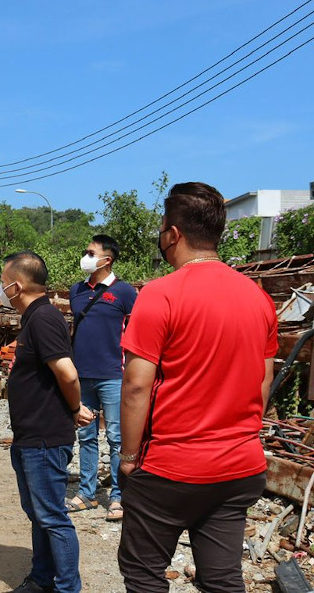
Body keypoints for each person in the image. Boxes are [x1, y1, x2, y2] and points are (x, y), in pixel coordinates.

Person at [118, 182, 278, 592]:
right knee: (222, 578)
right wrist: (242, 437)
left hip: (172, 468)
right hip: (239, 466)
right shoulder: (257, 297)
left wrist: (130, 457)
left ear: (173, 233)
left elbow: (137, 387)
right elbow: (263, 378)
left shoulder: (159, 295)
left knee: (144, 575)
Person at [0, 251, 94, 593]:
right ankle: (41, 578)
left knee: (52, 517)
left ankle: (67, 587)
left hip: (44, 438)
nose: (1, 290)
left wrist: (73, 410)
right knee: (39, 515)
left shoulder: (42, 319)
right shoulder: (34, 318)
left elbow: (68, 375)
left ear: (17, 285)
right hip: (29, 436)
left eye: (2, 283)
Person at [66, 235, 137, 521]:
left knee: (117, 438)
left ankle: (118, 497)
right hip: (81, 376)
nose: (86, 256)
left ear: (107, 260)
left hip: (113, 376)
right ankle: (87, 493)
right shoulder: (76, 291)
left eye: (90, 252)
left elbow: (136, 334)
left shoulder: (125, 293)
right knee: (85, 436)